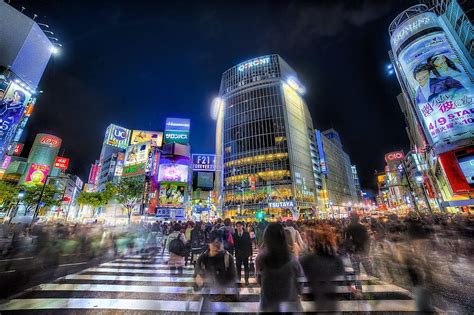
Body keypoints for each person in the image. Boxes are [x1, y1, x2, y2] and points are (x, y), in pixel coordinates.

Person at [256, 223, 304, 312]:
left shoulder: (260, 259)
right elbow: (300, 282)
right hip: (290, 304)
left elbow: (259, 280)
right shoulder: (293, 260)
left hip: (268, 305)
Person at [300, 225, 347, 311]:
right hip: (332, 302)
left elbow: (301, 279)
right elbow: (342, 282)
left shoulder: (307, 259)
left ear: (315, 242)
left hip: (313, 301)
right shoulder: (337, 260)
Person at [344, 213, 376, 290]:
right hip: (362, 252)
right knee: (369, 271)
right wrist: (366, 251)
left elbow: (346, 240)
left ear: (350, 219)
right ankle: (371, 287)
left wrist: (349, 250)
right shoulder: (362, 227)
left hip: (353, 253)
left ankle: (359, 290)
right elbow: (367, 239)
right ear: (358, 219)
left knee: (356, 273)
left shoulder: (348, 227)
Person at [233, 221, 252, 285]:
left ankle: (246, 280)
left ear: (242, 226)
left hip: (245, 254)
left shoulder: (246, 234)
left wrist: (251, 253)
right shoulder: (234, 235)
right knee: (238, 268)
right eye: (237, 226)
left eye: (240, 226)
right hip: (238, 254)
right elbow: (233, 245)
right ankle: (238, 280)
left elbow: (249, 244)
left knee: (246, 267)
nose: (238, 227)